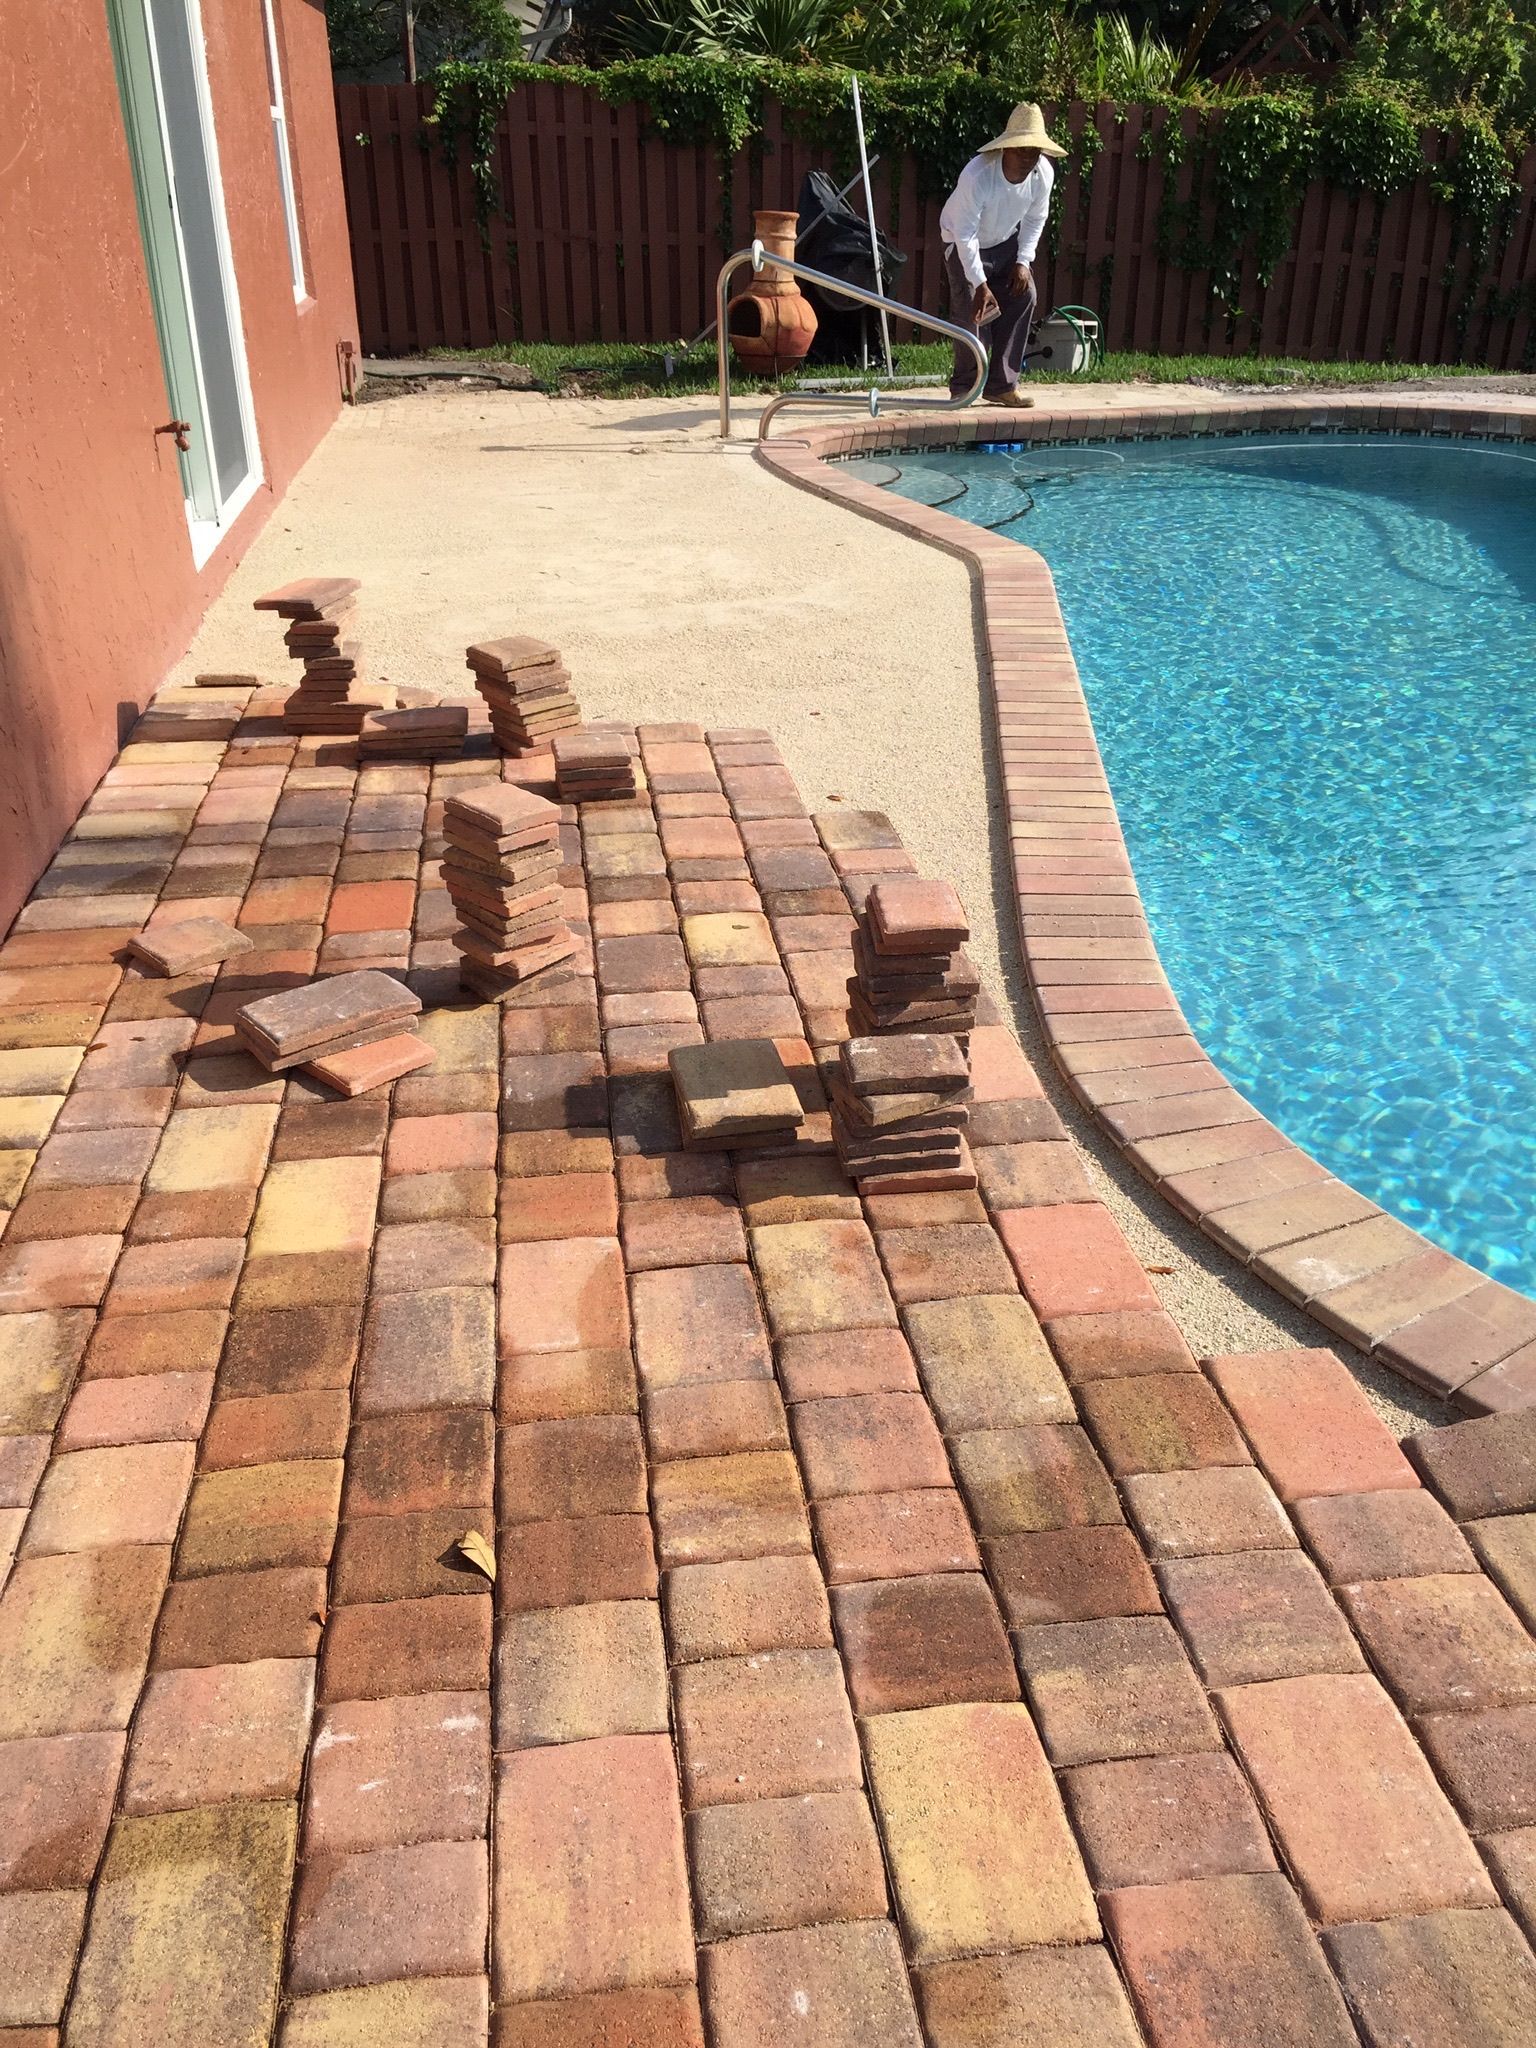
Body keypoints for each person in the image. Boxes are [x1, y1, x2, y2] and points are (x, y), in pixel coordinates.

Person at [939, 102, 1068, 409]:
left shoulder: (1043, 173)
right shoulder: (978, 175)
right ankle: (964, 388)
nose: (1028, 158)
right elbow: (965, 234)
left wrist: (1023, 261)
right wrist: (980, 284)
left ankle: (1002, 386)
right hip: (962, 241)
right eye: (1021, 150)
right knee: (971, 312)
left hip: (1006, 242)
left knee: (1025, 295)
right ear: (1006, 148)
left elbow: (1035, 219)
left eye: (1034, 151)